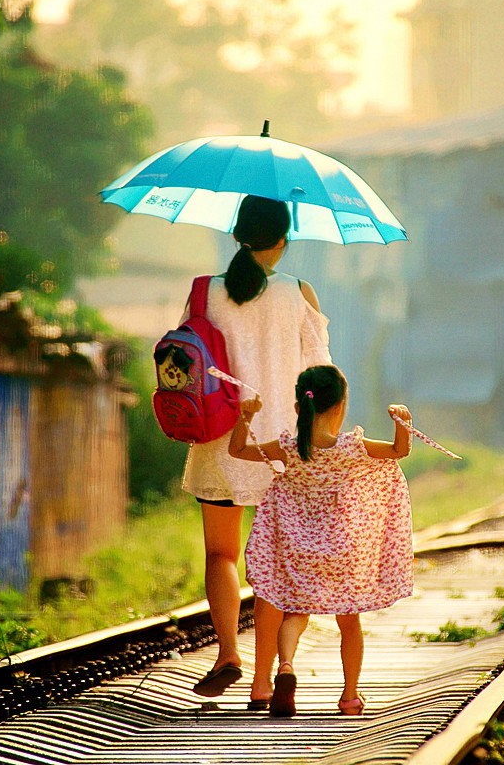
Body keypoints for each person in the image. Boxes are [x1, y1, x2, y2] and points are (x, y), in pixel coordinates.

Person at [182, 195, 333, 709]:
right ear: (283, 239)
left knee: (220, 554)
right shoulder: (298, 293)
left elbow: (186, 360)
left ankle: (228, 652)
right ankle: (265, 680)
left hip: (221, 438)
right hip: (283, 448)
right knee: (274, 565)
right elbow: (321, 376)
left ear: (237, 233)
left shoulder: (204, 292)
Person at [229, 364, 415, 717]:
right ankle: (349, 698)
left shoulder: (287, 447)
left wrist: (246, 417)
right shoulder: (351, 447)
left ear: (299, 407)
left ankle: (284, 666)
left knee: (295, 613)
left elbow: (238, 450)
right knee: (349, 622)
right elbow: (397, 451)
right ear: (340, 407)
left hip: (296, 549)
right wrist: (402, 421)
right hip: (341, 549)